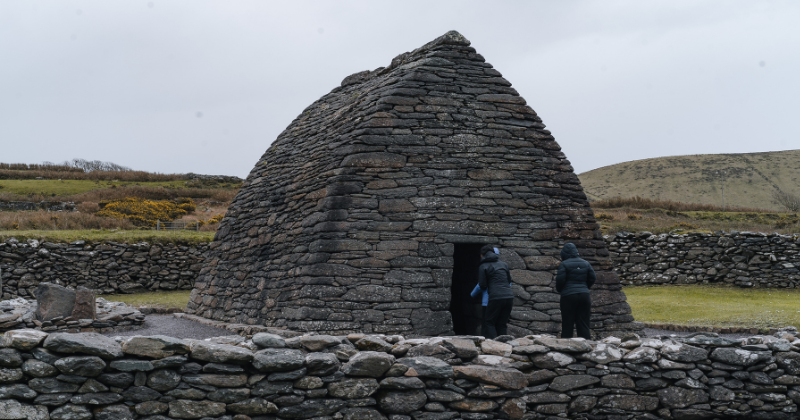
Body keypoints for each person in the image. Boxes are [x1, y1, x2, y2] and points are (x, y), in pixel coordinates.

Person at [471, 245, 514, 339]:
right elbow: (509, 281)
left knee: (489, 322)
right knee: (502, 323)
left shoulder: (483, 266)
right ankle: (504, 345)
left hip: (495, 297)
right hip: (509, 297)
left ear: (482, 255)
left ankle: (494, 345)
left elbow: (482, 284)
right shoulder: (504, 264)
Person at [555, 243, 596, 339]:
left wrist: (561, 290)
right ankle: (586, 346)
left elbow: (560, 280)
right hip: (584, 295)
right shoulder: (586, 263)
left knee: (567, 322)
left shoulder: (564, 264)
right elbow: (593, 278)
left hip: (568, 296)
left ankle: (566, 347)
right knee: (583, 322)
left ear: (564, 254)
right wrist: (585, 287)